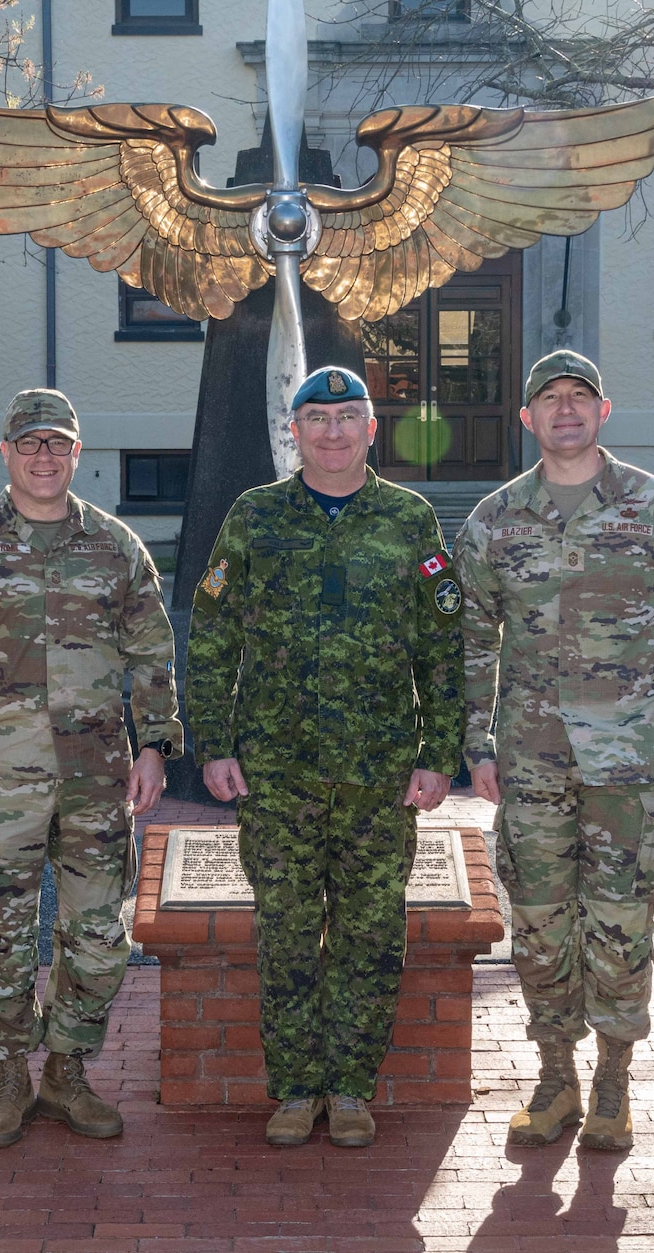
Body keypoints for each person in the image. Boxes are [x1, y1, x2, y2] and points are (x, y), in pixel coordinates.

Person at [453, 349, 654, 1151]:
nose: (564, 409)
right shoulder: (495, 520)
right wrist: (477, 742)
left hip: (628, 758)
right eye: (549, 399)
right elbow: (470, 640)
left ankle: (612, 1080)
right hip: (531, 758)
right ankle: (555, 1074)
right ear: (527, 419)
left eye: (580, 396)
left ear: (604, 411)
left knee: (619, 918)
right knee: (537, 920)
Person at [186, 365, 462, 1149]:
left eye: (349, 416)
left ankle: (349, 1086)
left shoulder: (409, 520)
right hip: (278, 774)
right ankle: (295, 1086)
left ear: (372, 429)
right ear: (294, 431)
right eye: (318, 417)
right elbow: (213, 637)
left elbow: (443, 647)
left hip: (380, 776)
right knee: (285, 933)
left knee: (373, 934)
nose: (333, 431)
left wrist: (440, 751)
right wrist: (215, 744)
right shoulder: (256, 516)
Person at [0, 388, 181, 1148]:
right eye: (30, 444)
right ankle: (9, 1078)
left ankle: (66, 1071)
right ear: (7, 454)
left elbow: (152, 651)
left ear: (77, 453)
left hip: (97, 774)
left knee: (97, 935)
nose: (44, 456)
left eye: (57, 443)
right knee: (1, 935)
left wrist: (155, 742)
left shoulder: (116, 547)